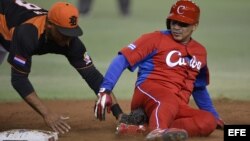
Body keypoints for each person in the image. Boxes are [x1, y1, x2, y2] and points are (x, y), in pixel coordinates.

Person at [94, 0, 225, 141]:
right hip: (149, 91)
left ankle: (144, 128)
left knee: (207, 120)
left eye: (183, 24)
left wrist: (215, 116)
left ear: (195, 26)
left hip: (175, 105)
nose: (176, 27)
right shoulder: (155, 39)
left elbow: (199, 88)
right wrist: (105, 90)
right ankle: (158, 131)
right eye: (173, 22)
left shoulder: (200, 52)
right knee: (167, 100)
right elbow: (122, 60)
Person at [0, 0, 123, 134]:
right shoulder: (28, 33)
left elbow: (93, 76)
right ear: (49, 25)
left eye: (71, 33)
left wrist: (119, 113)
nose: (68, 40)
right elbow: (19, 80)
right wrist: (47, 113)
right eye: (64, 34)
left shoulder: (70, 41)